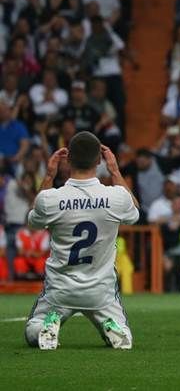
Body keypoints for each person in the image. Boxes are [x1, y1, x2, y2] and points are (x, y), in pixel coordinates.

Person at [25, 132, 140, 350]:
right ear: (100, 161)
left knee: (33, 329)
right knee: (125, 337)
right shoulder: (116, 197)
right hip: (100, 291)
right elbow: (134, 213)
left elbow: (34, 221)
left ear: (67, 160)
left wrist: (49, 176)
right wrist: (115, 171)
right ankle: (111, 325)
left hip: (60, 290)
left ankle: (47, 327)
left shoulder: (51, 198)